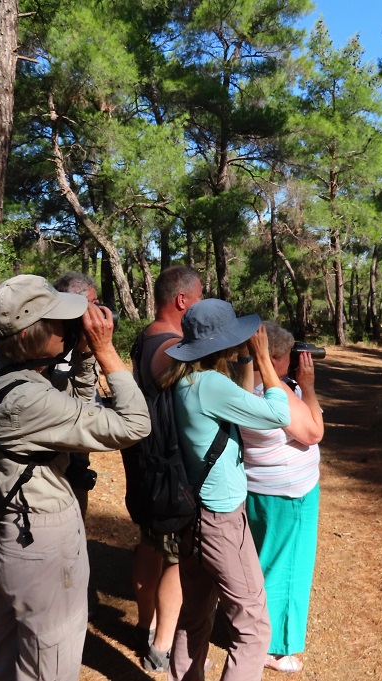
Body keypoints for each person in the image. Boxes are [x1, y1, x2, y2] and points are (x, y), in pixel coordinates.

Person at [0, 274, 151, 681]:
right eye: (61, 322)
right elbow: (134, 424)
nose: (72, 326)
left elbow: (67, 409)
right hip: (39, 541)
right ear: (32, 335)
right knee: (49, 663)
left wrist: (84, 356)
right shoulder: (27, 398)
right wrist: (108, 351)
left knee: (7, 657)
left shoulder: (0, 371)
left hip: (9, 530)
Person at [160, 298, 291, 681]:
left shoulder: (183, 378)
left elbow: (240, 403)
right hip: (220, 521)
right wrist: (266, 359)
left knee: (196, 615)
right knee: (253, 627)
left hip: (193, 516)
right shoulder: (212, 386)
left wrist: (246, 360)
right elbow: (277, 416)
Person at [121, 265, 203, 671]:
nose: (200, 306)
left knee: (150, 543)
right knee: (174, 557)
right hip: (170, 467)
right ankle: (162, 643)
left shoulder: (146, 335)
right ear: (182, 300)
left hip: (147, 459)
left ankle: (143, 622)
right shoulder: (172, 346)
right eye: (199, 298)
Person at [239, 321, 324, 674]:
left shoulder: (242, 386)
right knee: (286, 570)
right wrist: (308, 387)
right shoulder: (280, 393)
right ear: (274, 358)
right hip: (291, 496)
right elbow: (314, 430)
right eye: (288, 357)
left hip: (258, 489)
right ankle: (273, 649)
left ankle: (250, 631)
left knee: (261, 564)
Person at [53, 271, 100, 517]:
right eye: (93, 304)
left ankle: (78, 531)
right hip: (60, 426)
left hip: (80, 428)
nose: (98, 310)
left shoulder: (80, 337)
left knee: (80, 475)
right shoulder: (54, 337)